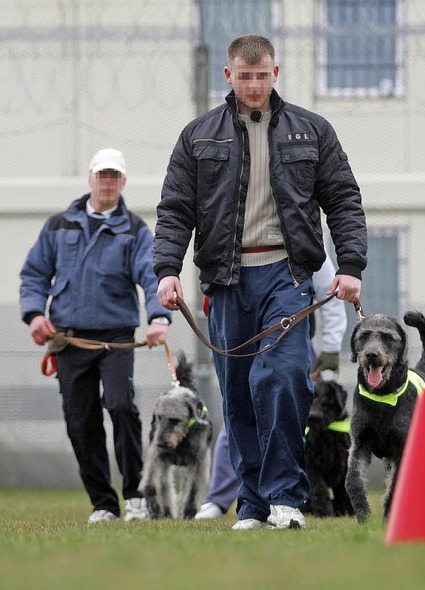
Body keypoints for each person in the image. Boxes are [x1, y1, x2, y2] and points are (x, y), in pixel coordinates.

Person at [153, 34, 367, 530]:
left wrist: (351, 266)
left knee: (283, 378)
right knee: (239, 394)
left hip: (286, 275)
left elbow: (343, 201)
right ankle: (251, 506)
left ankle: (286, 500)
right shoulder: (198, 136)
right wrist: (167, 271)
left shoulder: (312, 132)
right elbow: (175, 210)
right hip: (226, 281)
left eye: (262, 74)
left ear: (277, 73)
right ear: (228, 76)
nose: (253, 84)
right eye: (244, 76)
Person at [19, 148, 171, 524]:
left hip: (116, 338)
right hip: (69, 339)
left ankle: (135, 495)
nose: (107, 182)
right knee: (79, 420)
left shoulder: (134, 229)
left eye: (114, 176)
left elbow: (151, 277)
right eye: (101, 175)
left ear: (123, 182)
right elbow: (34, 275)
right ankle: (103, 504)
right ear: (89, 179)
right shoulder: (58, 225)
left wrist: (158, 318)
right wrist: (35, 314)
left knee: (120, 405)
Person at [195, 254, 348, 520]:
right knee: (239, 410)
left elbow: (328, 288)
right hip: (239, 324)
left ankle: (286, 496)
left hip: (292, 335)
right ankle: (221, 498)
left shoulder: (303, 229)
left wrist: (332, 346)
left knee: (285, 410)